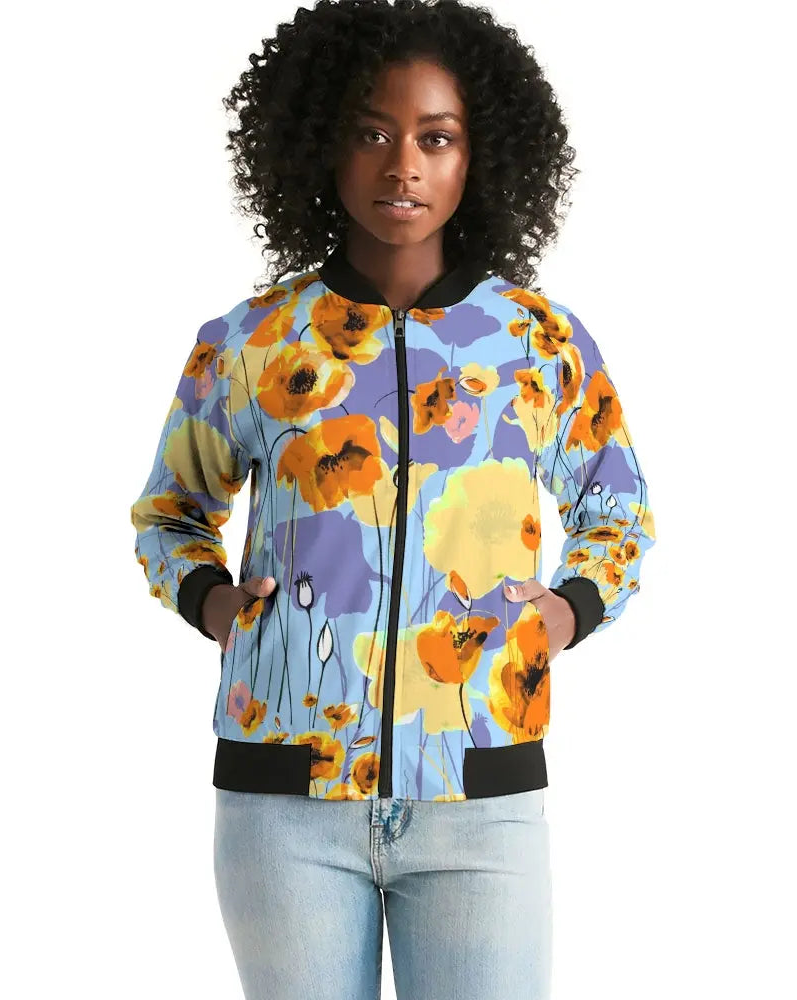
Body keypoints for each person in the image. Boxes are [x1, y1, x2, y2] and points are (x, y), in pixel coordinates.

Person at [129, 1, 657, 997]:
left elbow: (617, 511)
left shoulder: (536, 340)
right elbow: (171, 511)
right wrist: (214, 604)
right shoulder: (252, 340)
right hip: (285, 798)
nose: (402, 166)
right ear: (319, 147)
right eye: (371, 134)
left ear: (478, 157)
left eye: (435, 138)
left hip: (480, 793)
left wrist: (561, 614)